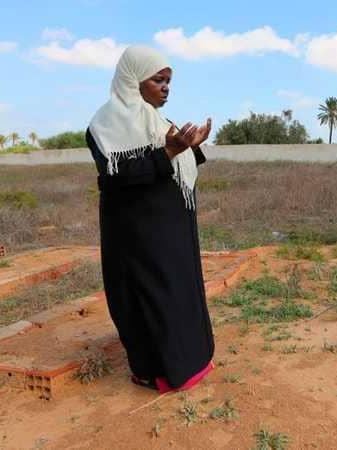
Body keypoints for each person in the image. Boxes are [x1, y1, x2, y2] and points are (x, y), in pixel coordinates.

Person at [86, 45, 214, 393]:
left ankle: (192, 362)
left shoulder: (160, 122)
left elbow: (175, 166)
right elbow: (116, 178)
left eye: (168, 81)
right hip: (137, 233)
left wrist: (192, 146)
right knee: (148, 296)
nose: (166, 88)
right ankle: (156, 372)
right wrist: (170, 150)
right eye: (158, 80)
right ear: (133, 80)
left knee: (178, 291)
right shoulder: (104, 125)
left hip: (172, 229)